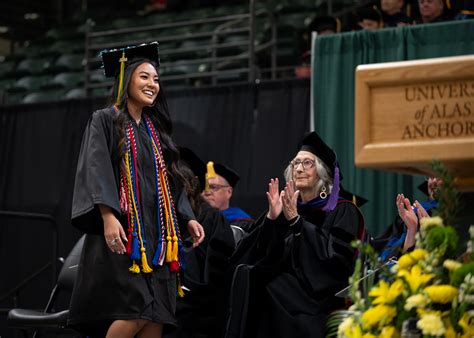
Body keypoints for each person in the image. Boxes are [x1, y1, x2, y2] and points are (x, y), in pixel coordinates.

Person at [68, 42, 205, 338]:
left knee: (156, 318)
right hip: (125, 235)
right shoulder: (105, 120)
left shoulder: (156, 133)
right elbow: (97, 167)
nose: (152, 84)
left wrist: (187, 216)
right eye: (144, 77)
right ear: (125, 78)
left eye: (155, 79)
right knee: (134, 312)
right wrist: (107, 215)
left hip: (157, 238)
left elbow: (171, 181)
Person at [224, 131, 365, 338]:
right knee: (248, 275)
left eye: (307, 163)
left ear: (322, 172)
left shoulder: (342, 210)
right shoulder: (286, 206)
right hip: (286, 289)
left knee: (269, 287)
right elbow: (260, 256)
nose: (298, 169)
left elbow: (336, 263)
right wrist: (272, 219)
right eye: (295, 163)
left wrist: (297, 223)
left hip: (318, 297)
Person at [169, 148, 236, 338]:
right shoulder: (159, 217)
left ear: (190, 185)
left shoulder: (211, 218)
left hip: (193, 316)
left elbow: (218, 272)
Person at [372, 177, 441, 262]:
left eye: (438, 176)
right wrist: (411, 229)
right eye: (430, 176)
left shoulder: (450, 214)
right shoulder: (413, 212)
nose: (433, 181)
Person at [201, 161, 254, 235]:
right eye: (203, 187)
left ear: (229, 192)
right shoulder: (192, 219)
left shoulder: (241, 222)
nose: (207, 192)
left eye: (213, 187)